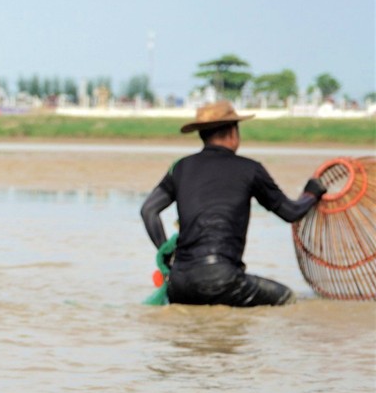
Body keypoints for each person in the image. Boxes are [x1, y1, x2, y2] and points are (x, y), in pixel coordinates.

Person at [140, 100, 326, 307]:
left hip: (179, 285)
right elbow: (291, 212)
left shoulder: (181, 167)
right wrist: (312, 193)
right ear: (232, 132)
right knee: (288, 299)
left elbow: (148, 211)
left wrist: (167, 256)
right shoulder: (250, 169)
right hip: (224, 281)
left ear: (203, 135)